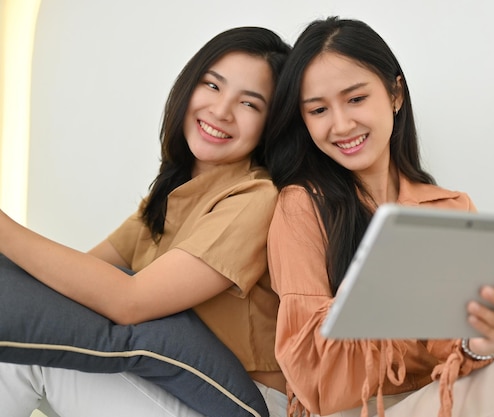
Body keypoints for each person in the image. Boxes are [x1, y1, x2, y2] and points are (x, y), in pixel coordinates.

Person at [263, 16, 494, 417]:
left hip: (445, 390)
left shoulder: (450, 208)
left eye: (356, 98)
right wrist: (427, 321)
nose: (341, 124)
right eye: (318, 110)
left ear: (395, 94)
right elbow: (314, 375)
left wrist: (490, 334)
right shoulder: (302, 205)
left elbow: (478, 346)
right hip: (363, 408)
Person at [0, 26, 290, 417]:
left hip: (239, 402)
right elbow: (77, 284)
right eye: (213, 85)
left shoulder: (255, 198)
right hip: (174, 385)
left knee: (24, 360)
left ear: (270, 126)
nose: (221, 111)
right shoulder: (170, 197)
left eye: (250, 104)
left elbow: (128, 301)